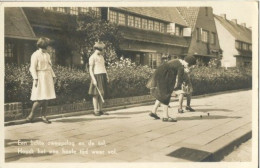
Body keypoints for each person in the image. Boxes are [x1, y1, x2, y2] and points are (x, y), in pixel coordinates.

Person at [147, 56, 196, 122]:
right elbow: (179, 81)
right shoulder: (181, 67)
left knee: (162, 95)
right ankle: (165, 117)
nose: (190, 67)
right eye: (191, 65)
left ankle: (153, 111)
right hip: (164, 77)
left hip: (159, 75)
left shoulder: (177, 61)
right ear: (188, 64)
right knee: (166, 95)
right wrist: (175, 90)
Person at [26, 37, 56, 124]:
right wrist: (35, 79)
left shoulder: (47, 55)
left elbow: (49, 67)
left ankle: (44, 116)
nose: (50, 48)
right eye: (49, 46)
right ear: (44, 46)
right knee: (39, 98)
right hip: (40, 77)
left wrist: (54, 76)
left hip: (48, 77)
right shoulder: (35, 55)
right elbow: (32, 68)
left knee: (46, 98)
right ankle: (31, 116)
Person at [88, 41, 109, 116]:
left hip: (102, 75)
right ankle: (95, 110)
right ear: (99, 49)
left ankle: (100, 110)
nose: (104, 50)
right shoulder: (92, 57)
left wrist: (106, 75)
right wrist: (93, 79)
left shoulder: (102, 57)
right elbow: (90, 70)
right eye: (103, 49)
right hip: (96, 76)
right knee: (95, 94)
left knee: (102, 93)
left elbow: (104, 67)